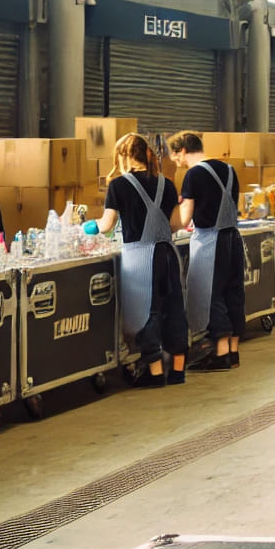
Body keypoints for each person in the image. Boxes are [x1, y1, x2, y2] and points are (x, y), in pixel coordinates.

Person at [86, 134, 187, 387]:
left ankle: (154, 374)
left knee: (146, 312)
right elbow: (175, 224)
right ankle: (177, 372)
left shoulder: (118, 186)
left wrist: (86, 226)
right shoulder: (167, 183)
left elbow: (107, 226)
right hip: (168, 254)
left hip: (141, 258)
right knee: (174, 309)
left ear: (123, 157)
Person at [169, 132, 244, 372]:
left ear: (181, 150)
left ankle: (219, 352)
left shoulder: (194, 174)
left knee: (209, 292)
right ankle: (233, 351)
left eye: (174, 155)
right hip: (233, 237)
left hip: (211, 239)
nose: (174, 161)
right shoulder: (229, 169)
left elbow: (184, 218)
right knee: (233, 291)